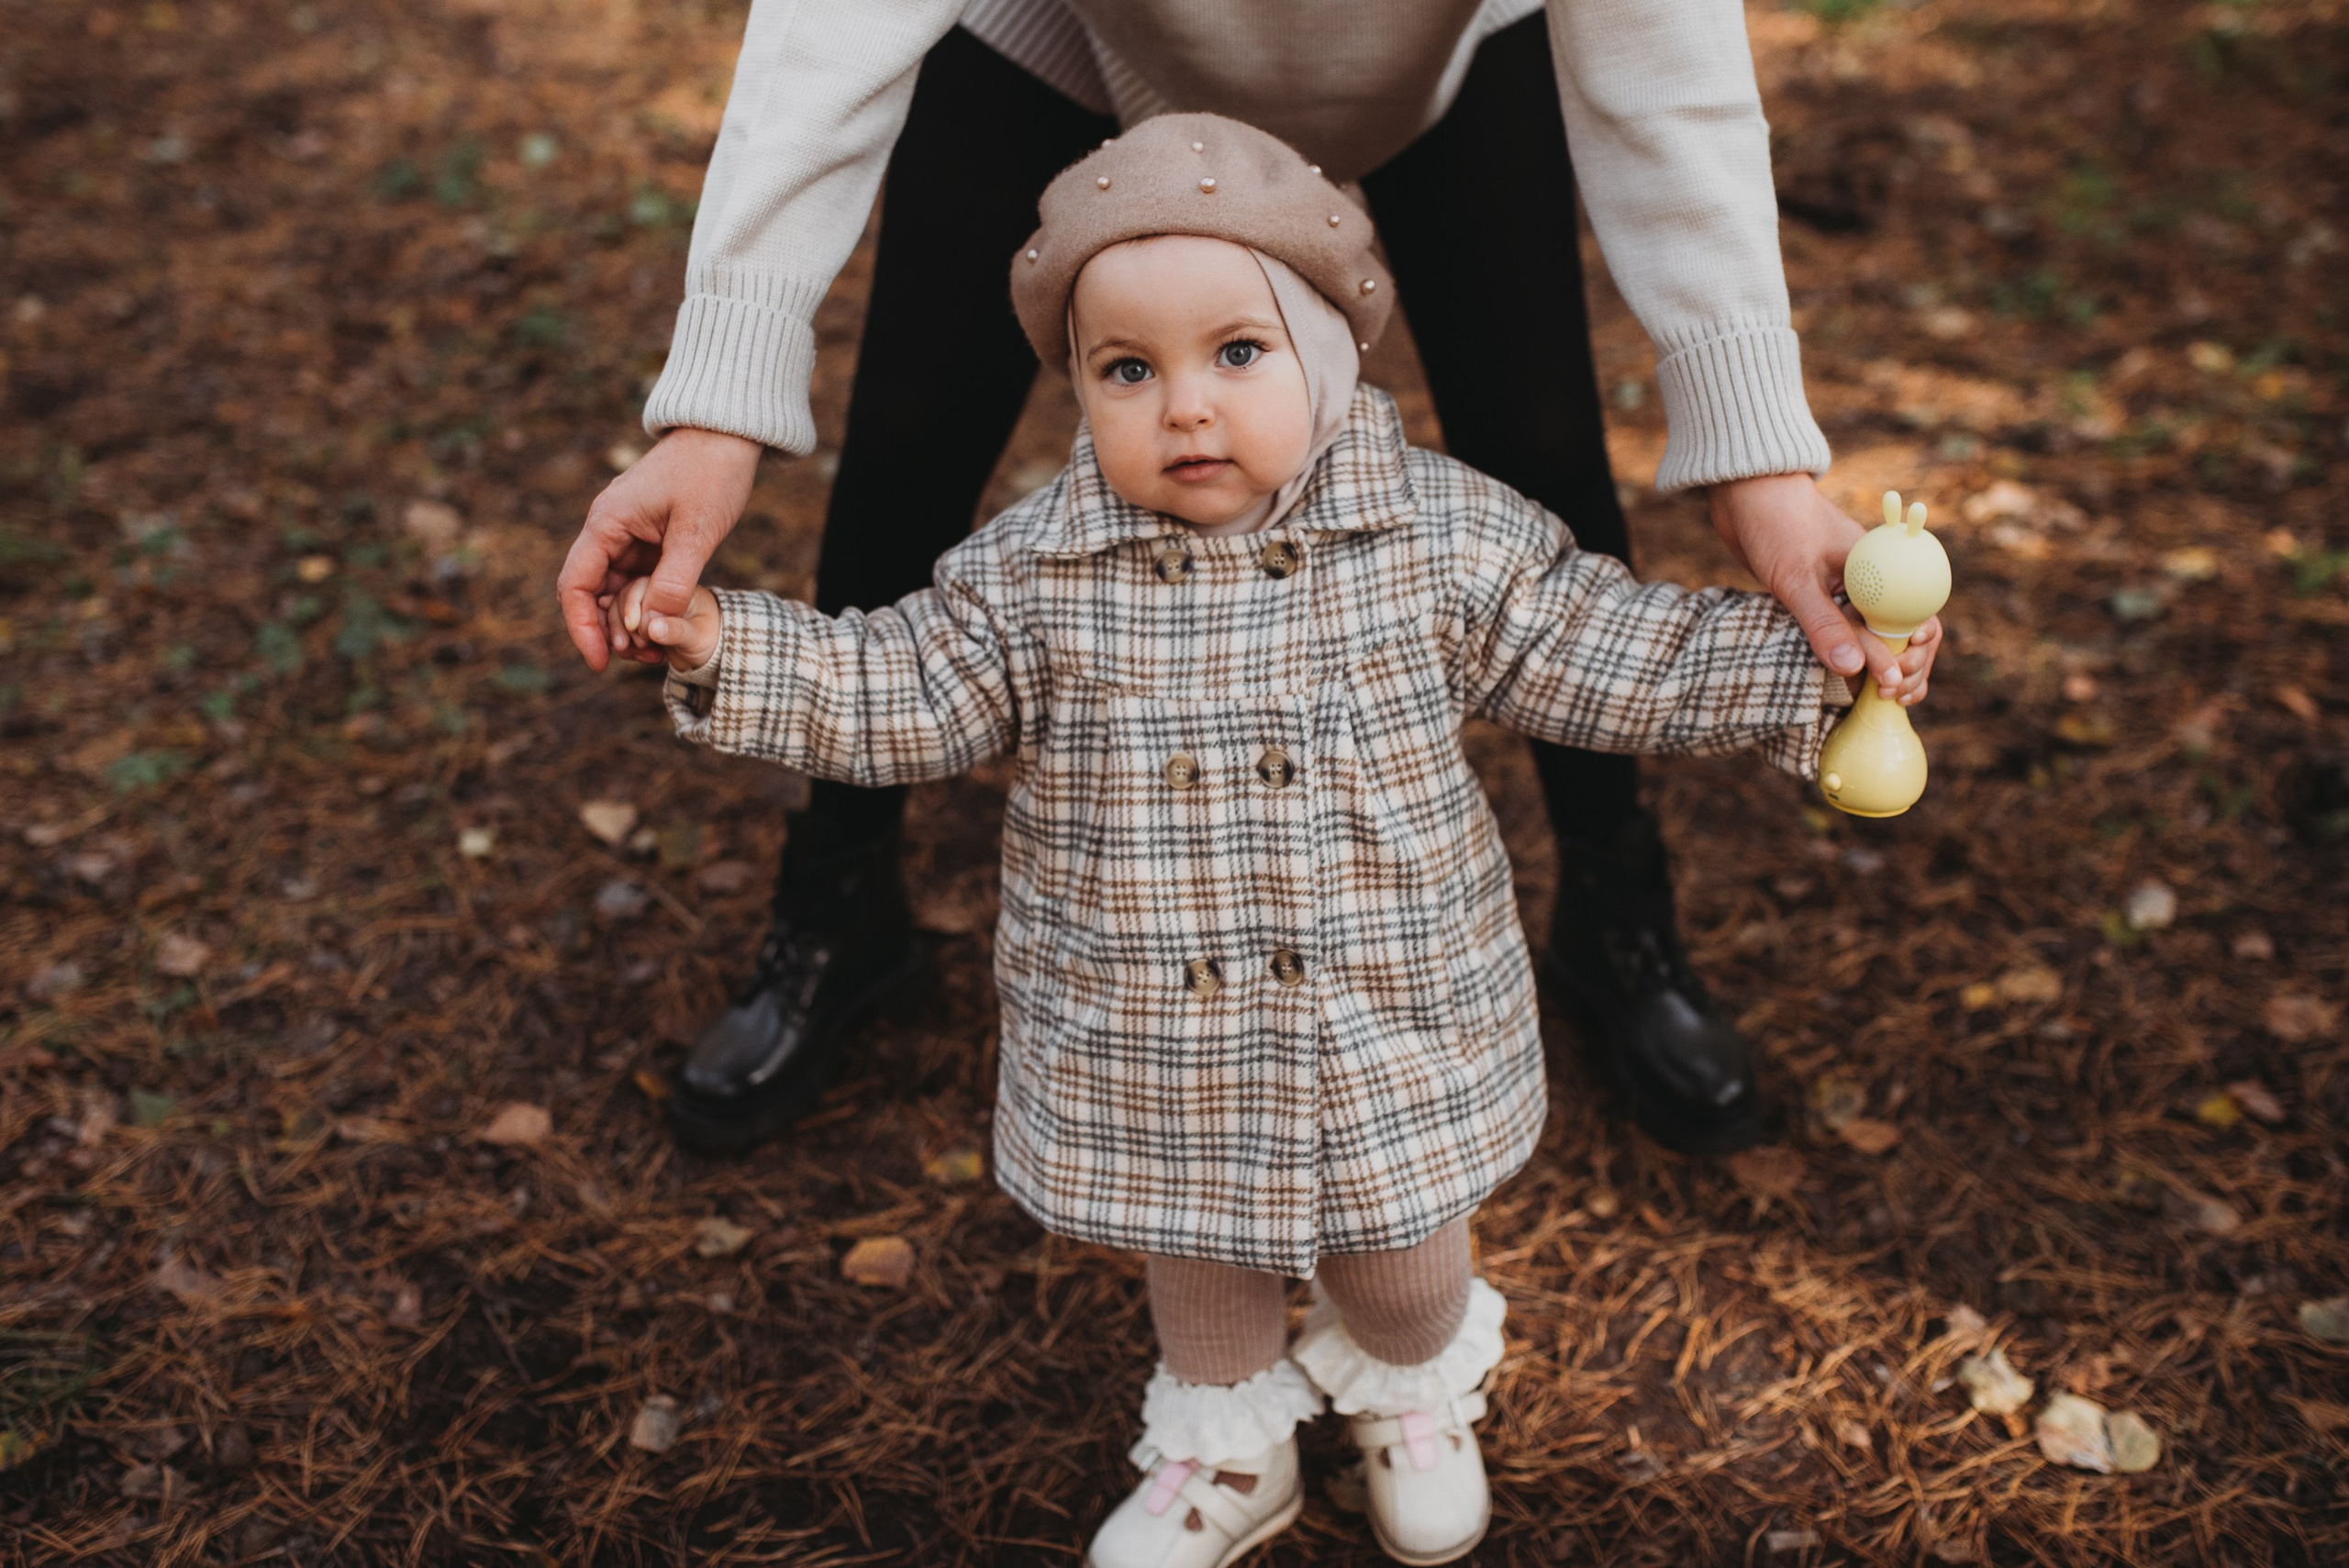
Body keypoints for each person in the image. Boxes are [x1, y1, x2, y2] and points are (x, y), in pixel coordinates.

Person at [595, 117, 1932, 1566]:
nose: (1185, 407)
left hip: (1387, 1009)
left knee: (1404, 1256)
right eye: (1128, 369)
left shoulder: (1434, 540)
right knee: (1201, 1268)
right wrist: (724, 645)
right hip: (1160, 1029)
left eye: (1238, 351)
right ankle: (1232, 1452)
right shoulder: (1041, 572)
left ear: (1330, 354)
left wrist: (1809, 662)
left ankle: (1415, 1392)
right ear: (1077, 385)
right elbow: (898, 686)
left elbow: (1612, 651)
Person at [557, 1, 1940, 1158]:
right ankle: (837, 901)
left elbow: (1671, 76)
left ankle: (1617, 907)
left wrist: (1758, 465)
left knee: (1540, 444)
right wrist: (716, 411)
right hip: (1062, 34)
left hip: (1452, 49)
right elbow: (826, 32)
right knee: (912, 441)